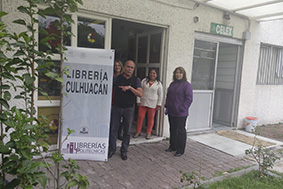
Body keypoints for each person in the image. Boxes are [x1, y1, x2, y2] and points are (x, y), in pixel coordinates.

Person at [108, 60, 143, 160]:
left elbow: (140, 94)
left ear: (133, 69)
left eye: (132, 68)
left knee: (127, 131)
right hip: (116, 107)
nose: (129, 69)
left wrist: (130, 88)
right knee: (113, 130)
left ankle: (124, 151)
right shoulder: (117, 78)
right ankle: (112, 150)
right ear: (124, 67)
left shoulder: (136, 80)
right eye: (128, 67)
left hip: (129, 109)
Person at [165, 66, 193, 157]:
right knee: (172, 129)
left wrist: (182, 108)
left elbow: (189, 99)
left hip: (181, 113)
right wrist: (167, 105)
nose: (178, 74)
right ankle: (173, 146)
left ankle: (180, 150)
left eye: (180, 73)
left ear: (183, 74)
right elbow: (168, 96)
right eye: (177, 73)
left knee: (180, 131)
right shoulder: (172, 84)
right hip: (172, 112)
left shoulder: (186, 85)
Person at [133, 68, 163, 139]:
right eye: (151, 73)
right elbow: (139, 90)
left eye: (154, 73)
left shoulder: (159, 84)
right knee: (140, 117)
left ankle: (148, 133)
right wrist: (138, 100)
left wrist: (159, 104)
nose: (152, 75)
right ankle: (138, 131)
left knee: (150, 119)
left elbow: (160, 95)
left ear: (156, 75)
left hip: (153, 103)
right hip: (143, 102)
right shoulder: (144, 81)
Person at [112, 60, 124, 140]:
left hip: (120, 99)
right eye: (116, 65)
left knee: (121, 119)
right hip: (112, 97)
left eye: (119, 65)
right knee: (113, 118)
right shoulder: (111, 75)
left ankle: (119, 134)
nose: (117, 67)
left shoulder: (123, 76)